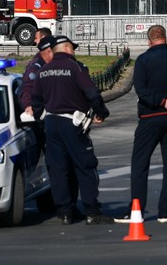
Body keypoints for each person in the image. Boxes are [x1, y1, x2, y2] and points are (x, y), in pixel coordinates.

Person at [116, 25, 167, 224]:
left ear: (149, 40)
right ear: (165, 37)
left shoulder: (144, 60)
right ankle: (165, 212)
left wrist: (161, 101)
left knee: (140, 164)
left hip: (150, 117)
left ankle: (137, 211)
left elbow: (141, 90)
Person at [31, 35, 114, 225]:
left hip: (52, 124)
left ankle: (65, 212)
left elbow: (36, 101)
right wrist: (102, 112)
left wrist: (43, 122)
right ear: (67, 48)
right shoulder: (75, 67)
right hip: (73, 124)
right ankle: (92, 211)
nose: (74, 51)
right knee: (85, 166)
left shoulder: (43, 71)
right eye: (73, 48)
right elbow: (91, 93)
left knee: (59, 169)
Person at [20, 27, 53, 115]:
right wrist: (29, 105)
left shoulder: (43, 61)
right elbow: (28, 86)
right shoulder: (36, 64)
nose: (35, 41)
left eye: (36, 38)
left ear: (42, 39)